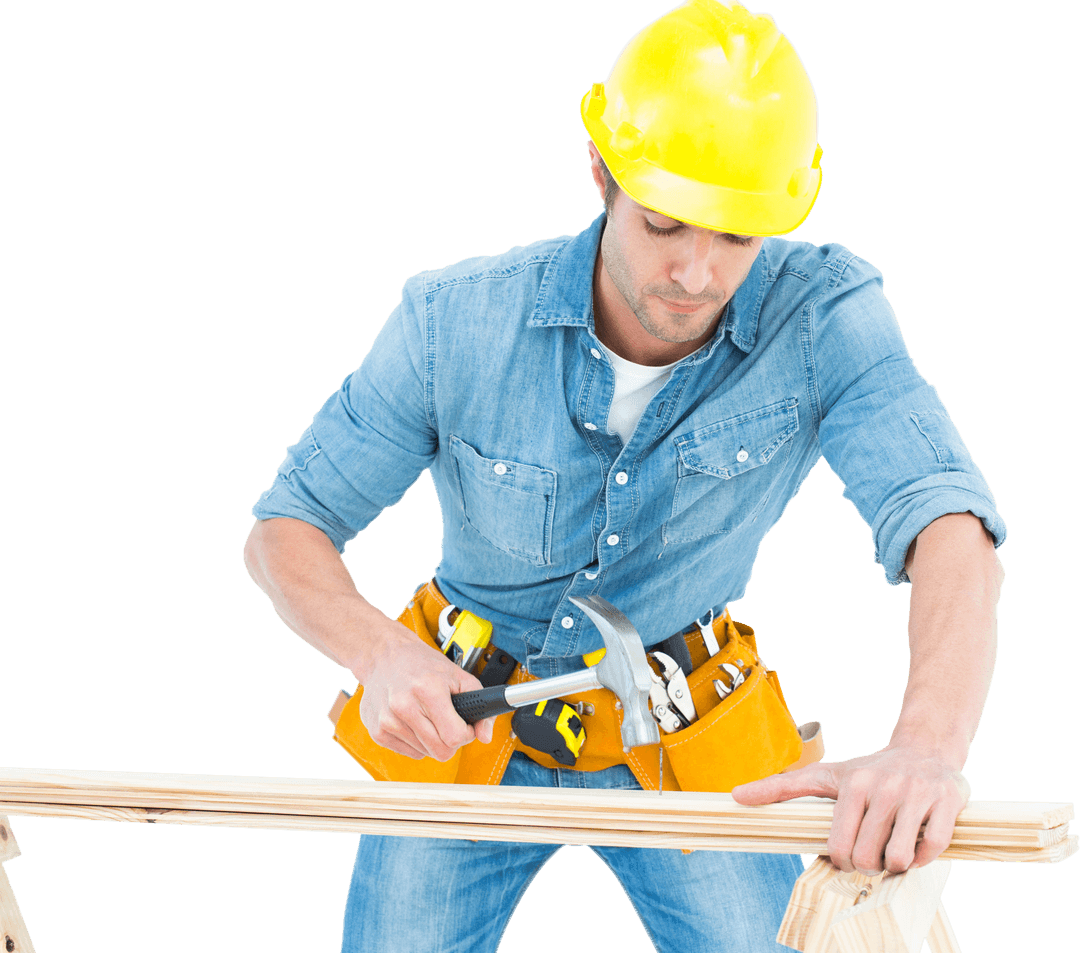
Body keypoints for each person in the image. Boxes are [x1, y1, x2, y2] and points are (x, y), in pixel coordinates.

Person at [243, 1, 1005, 950]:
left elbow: (948, 520)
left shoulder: (821, 318)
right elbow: (287, 526)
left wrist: (927, 748)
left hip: (690, 724)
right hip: (466, 725)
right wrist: (376, 651)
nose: (695, 272)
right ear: (604, 171)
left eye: (736, 236)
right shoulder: (453, 323)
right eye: (666, 225)